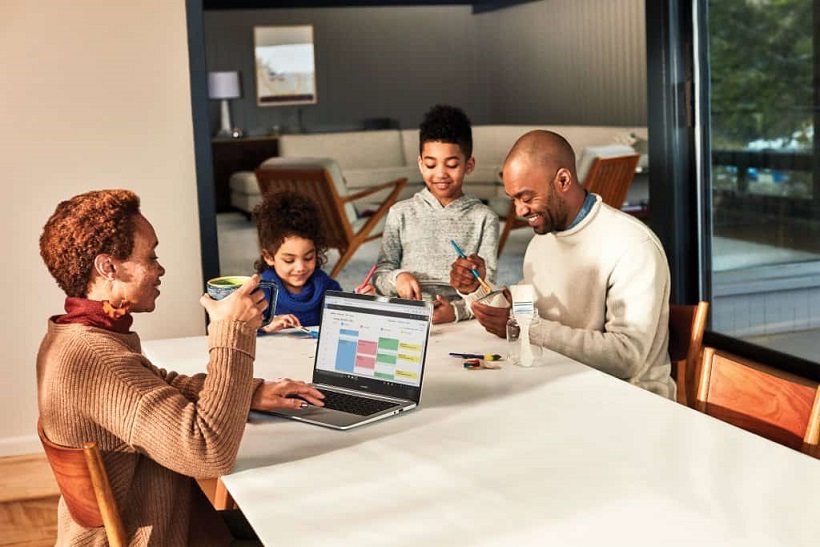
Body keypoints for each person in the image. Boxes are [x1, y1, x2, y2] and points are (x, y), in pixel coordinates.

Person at [37, 189, 325, 545]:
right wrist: (232, 331)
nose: (160, 269)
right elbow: (209, 452)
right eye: (151, 256)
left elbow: (156, 385)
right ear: (108, 266)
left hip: (181, 525)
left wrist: (250, 392)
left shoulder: (76, 335)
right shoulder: (95, 358)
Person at [454, 130, 675, 399]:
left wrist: (528, 328)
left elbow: (625, 357)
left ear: (563, 180)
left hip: (630, 401)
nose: (520, 211)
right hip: (562, 386)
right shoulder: (541, 243)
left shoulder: (632, 245)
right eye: (514, 199)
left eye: (527, 198)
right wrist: (475, 288)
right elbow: (520, 314)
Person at [371, 104, 499, 323]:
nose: (440, 174)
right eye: (431, 165)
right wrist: (398, 278)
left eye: (452, 165)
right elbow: (379, 276)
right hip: (407, 319)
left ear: (469, 165)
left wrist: (455, 312)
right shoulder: (400, 213)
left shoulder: (484, 218)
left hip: (458, 321)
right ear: (421, 164)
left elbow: (487, 290)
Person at [254, 191, 373, 332]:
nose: (300, 267)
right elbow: (241, 330)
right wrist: (265, 325)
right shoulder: (260, 292)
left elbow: (342, 318)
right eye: (289, 260)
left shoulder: (326, 285)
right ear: (268, 257)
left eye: (308, 258)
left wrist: (358, 301)